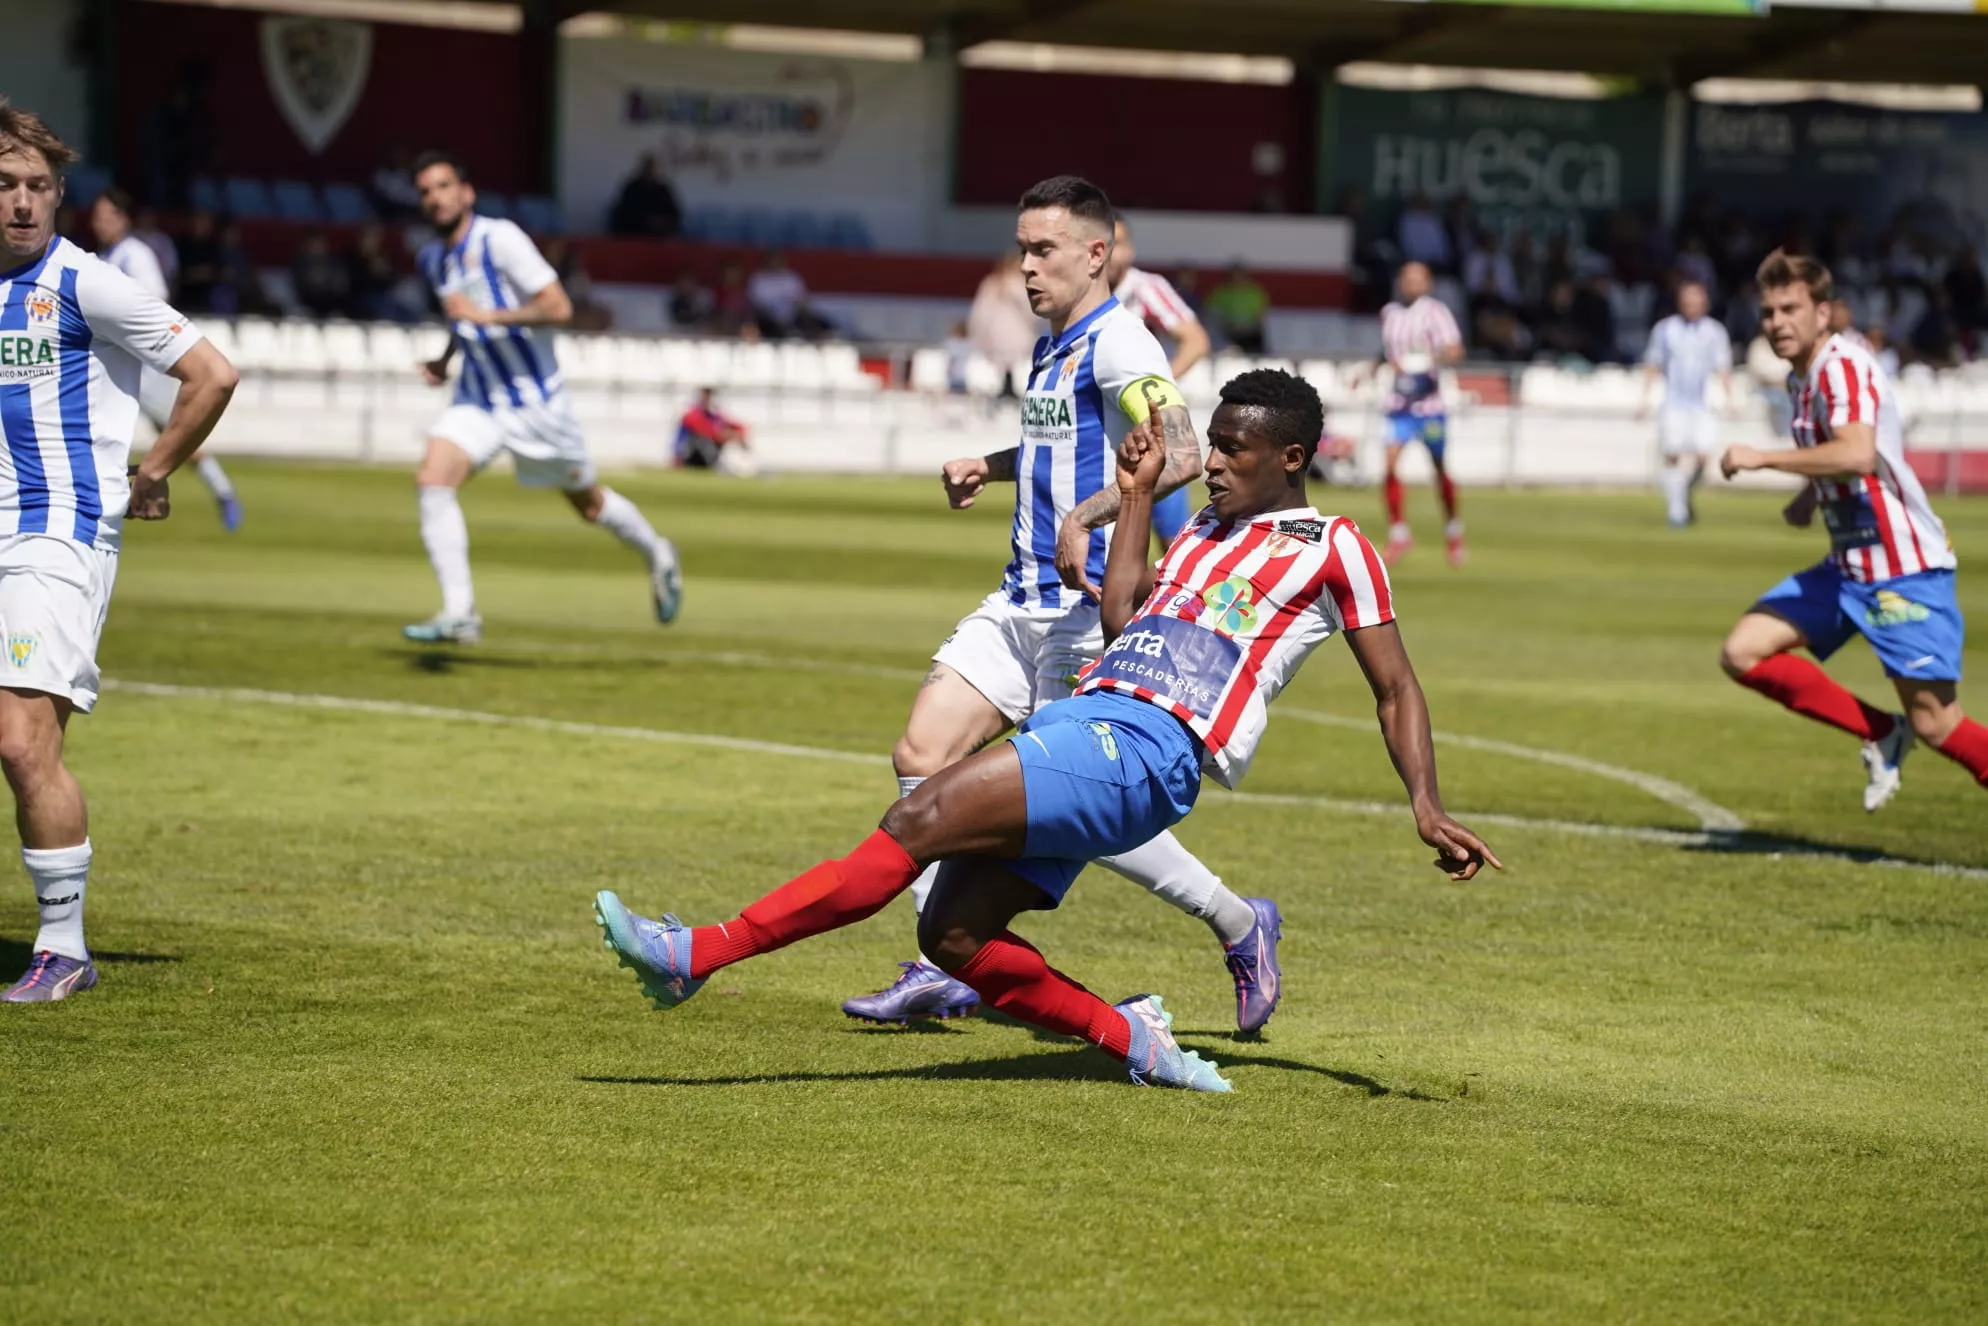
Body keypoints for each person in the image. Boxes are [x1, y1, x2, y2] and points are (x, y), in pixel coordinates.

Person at [592, 367, 1500, 1090]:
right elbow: (1122, 619)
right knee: (952, 936)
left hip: (1149, 750)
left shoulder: (1335, 546)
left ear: (1291, 457)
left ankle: (697, 954)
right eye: (1214, 447)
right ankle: (1137, 1042)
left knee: (917, 816)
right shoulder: (1204, 532)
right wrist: (1136, 497)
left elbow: (1396, 688)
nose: (1214, 464)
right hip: (1092, 717)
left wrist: (1425, 804)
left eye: (1232, 450)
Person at [827, 176, 1282, 1033]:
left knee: (1081, 811)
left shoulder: (1119, 343)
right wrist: (989, 464)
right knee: (921, 750)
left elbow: (1183, 451)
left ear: (1096, 253)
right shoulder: (1056, 344)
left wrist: (1088, 516)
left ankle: (1237, 921)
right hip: (1020, 597)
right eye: (1022, 249)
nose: (1026, 267)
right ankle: (939, 968)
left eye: (1043, 251)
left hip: (1085, 609)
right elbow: (1057, 442)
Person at [0, 99, 240, 1002]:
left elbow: (212, 373)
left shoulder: (84, 283)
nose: (23, 202)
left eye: (38, 186)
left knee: (22, 743)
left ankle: (63, 949)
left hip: (57, 533)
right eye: (6, 185)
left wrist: (155, 469)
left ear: (60, 195)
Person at [1718, 250, 1988, 811]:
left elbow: (1857, 453)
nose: (1777, 323)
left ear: (1823, 312)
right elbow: (1843, 456)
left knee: (1938, 724)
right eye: (1768, 312)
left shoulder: (1842, 367)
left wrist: (1762, 458)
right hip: (1848, 569)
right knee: (1743, 652)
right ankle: (1882, 732)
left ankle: (1902, 732)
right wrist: (1808, 497)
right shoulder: (1801, 377)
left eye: (1791, 309)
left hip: (1902, 570)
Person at [402, 151, 682, 645]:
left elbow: (558, 307)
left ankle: (657, 553)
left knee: (589, 506)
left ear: (467, 193)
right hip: (478, 397)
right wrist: (446, 359)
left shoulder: (500, 239)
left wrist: (491, 317)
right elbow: (461, 316)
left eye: (444, 186)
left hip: (534, 402)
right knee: (433, 479)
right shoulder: (433, 259)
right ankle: (461, 612)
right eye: (426, 191)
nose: (435, 198)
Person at [89, 186, 243, 531]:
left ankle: (223, 492)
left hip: (143, 368)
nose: (99, 223)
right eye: (96, 217)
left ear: (122, 219)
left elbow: (155, 300)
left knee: (175, 434)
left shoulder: (134, 255)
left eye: (106, 216)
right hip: (115, 365)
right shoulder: (104, 258)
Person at [1106, 212, 1212, 547]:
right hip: (1101, 428)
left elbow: (1196, 340)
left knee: (1173, 539)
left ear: (1131, 249)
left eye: (1119, 243)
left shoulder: (1145, 289)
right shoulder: (1079, 293)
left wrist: (1156, 385)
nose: (1112, 252)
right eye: (1105, 244)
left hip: (1147, 426)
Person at [1375, 262, 1465, 567]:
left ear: (1428, 283)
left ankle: (1453, 529)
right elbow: (1387, 353)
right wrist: (1371, 369)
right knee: (1389, 465)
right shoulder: (1389, 313)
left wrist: (1424, 361)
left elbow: (1455, 350)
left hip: (1430, 407)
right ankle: (1399, 533)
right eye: (1407, 279)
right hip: (1399, 405)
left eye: (1418, 279)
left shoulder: (1435, 312)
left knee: (1438, 468)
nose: (1412, 284)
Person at [1638, 279, 1734, 528]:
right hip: (1674, 402)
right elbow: (1653, 363)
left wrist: (1729, 399)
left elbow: (1723, 366)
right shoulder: (1665, 329)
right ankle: (1677, 510)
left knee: (1702, 458)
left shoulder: (1714, 331)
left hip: (1701, 404)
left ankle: (1684, 493)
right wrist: (1644, 399)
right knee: (1672, 454)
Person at [966, 251, 1037, 399]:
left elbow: (981, 311)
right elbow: (982, 311)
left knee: (1011, 363)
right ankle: (1004, 385)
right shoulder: (995, 284)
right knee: (1003, 362)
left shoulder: (1014, 285)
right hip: (1003, 333)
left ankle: (1009, 385)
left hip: (1011, 332)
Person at [747, 251, 828, 340]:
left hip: (793, 316)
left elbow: (801, 300)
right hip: (767, 318)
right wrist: (775, 317)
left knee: (815, 321)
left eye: (777, 260)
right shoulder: (758, 278)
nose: (775, 263)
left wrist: (796, 313)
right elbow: (756, 303)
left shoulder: (791, 277)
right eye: (772, 260)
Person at [675, 388, 752, 474]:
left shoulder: (716, 416)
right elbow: (705, 432)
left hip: (712, 447)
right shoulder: (691, 415)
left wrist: (735, 434)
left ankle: (746, 465)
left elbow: (738, 426)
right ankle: (718, 464)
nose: (707, 400)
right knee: (702, 440)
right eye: (705, 397)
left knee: (734, 437)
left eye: (709, 397)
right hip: (694, 454)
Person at [607, 153, 681, 239]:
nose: (649, 171)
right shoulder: (632, 188)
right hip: (634, 233)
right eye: (647, 167)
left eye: (652, 168)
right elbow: (624, 212)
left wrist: (661, 221)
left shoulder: (663, 190)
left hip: (659, 237)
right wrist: (644, 220)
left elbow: (674, 214)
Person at [1204, 261, 1268, 354]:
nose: (1236, 278)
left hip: (1250, 332)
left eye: (1239, 275)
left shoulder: (1255, 292)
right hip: (1227, 331)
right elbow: (1212, 316)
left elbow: (1260, 316)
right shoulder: (1219, 293)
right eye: (1233, 275)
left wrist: (1246, 326)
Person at [290, 230, 349, 319]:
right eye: (313, 244)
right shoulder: (300, 264)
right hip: (307, 307)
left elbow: (342, 287)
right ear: (307, 246)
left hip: (332, 307)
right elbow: (300, 289)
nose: (317, 248)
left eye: (320, 244)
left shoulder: (334, 263)